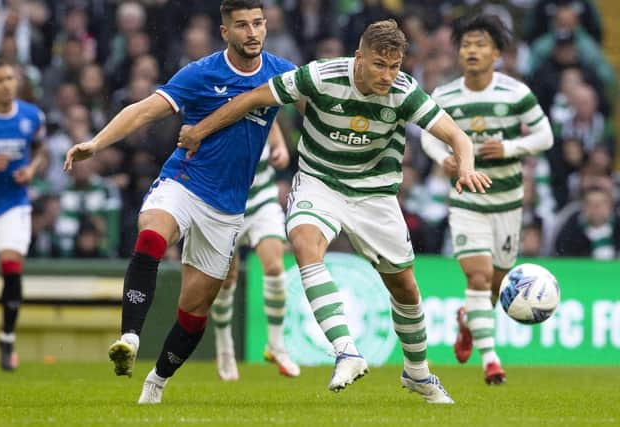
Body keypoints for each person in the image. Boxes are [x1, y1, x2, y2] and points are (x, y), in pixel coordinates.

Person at [178, 19, 492, 404]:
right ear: (358, 57)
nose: (388, 75)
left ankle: (418, 373)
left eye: (395, 67)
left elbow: (457, 135)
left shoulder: (404, 92)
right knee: (306, 243)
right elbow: (254, 97)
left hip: (375, 193)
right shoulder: (321, 76)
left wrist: (467, 166)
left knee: (406, 287)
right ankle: (346, 350)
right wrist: (199, 131)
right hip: (319, 183)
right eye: (379, 65)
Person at [63, 0, 295, 403]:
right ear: (226, 32)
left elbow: (323, 95)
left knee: (194, 312)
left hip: (227, 210)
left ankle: (156, 383)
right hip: (184, 182)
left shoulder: (280, 72)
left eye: (257, 23)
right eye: (242, 25)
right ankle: (130, 337)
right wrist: (96, 143)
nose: (253, 32)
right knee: (152, 235)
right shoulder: (202, 73)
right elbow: (143, 111)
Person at [420, 15, 554, 385]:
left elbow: (545, 136)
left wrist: (511, 146)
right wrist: (442, 158)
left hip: (508, 202)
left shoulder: (515, 93)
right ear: (459, 52)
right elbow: (428, 135)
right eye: (466, 45)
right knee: (477, 276)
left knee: (495, 285)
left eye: (480, 45)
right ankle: (491, 362)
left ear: (496, 52)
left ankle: (468, 321)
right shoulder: (445, 95)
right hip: (467, 202)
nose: (472, 51)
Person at [211, 125, 300, 381]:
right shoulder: (215, 103)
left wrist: (280, 147)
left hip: (262, 201)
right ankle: (225, 346)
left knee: (274, 267)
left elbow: (271, 120)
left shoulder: (256, 96)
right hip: (224, 206)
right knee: (226, 280)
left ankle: (275, 345)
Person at [0, 58, 46, 371]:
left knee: (11, 263)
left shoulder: (32, 116)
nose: (7, 85)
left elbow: (39, 149)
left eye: (10, 78)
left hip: (13, 204)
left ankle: (7, 337)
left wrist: (30, 170)